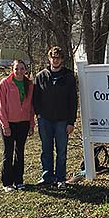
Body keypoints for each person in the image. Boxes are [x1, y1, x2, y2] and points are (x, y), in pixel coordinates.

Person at [33, 46, 77, 190]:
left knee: (61, 151)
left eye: (58, 57)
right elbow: (35, 98)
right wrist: (38, 115)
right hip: (45, 119)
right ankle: (47, 177)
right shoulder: (41, 76)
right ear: (49, 58)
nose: (55, 60)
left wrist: (71, 122)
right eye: (53, 57)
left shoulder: (69, 76)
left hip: (62, 120)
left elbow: (73, 100)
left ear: (62, 59)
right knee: (46, 150)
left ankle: (60, 179)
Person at [0, 60, 35, 192]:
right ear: (12, 69)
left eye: (22, 68)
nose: (19, 71)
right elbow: (0, 106)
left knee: (20, 152)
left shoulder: (29, 84)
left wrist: (31, 124)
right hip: (8, 123)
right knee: (8, 152)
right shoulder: (5, 83)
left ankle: (19, 180)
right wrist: (5, 126)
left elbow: (31, 107)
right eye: (16, 68)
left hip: (23, 124)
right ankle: (7, 182)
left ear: (25, 70)